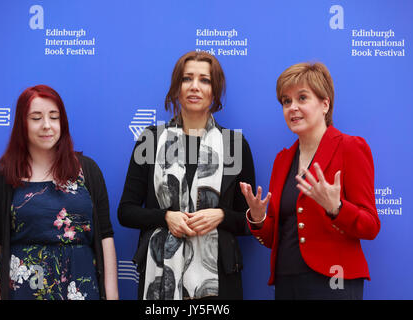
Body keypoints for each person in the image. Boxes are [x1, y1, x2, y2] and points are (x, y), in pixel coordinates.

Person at [118, 51, 255, 300]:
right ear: (176, 88)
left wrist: (221, 216)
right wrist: (165, 217)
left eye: (205, 80)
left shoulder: (234, 144)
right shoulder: (150, 140)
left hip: (219, 279)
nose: (195, 87)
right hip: (159, 275)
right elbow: (126, 212)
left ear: (215, 90)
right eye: (186, 78)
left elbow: (250, 221)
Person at [240, 62, 380, 300]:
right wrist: (258, 217)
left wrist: (336, 208)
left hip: (335, 282)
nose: (292, 107)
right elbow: (274, 238)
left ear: (325, 104)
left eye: (302, 98)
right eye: (286, 101)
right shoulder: (283, 159)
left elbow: (370, 226)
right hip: (286, 281)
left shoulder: (350, 148)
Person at [0, 84, 118, 300]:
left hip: (81, 289)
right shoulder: (4, 175)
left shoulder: (87, 170)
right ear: (22, 124)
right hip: (25, 291)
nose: (47, 125)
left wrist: (112, 296)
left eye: (54, 117)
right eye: (36, 118)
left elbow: (105, 238)